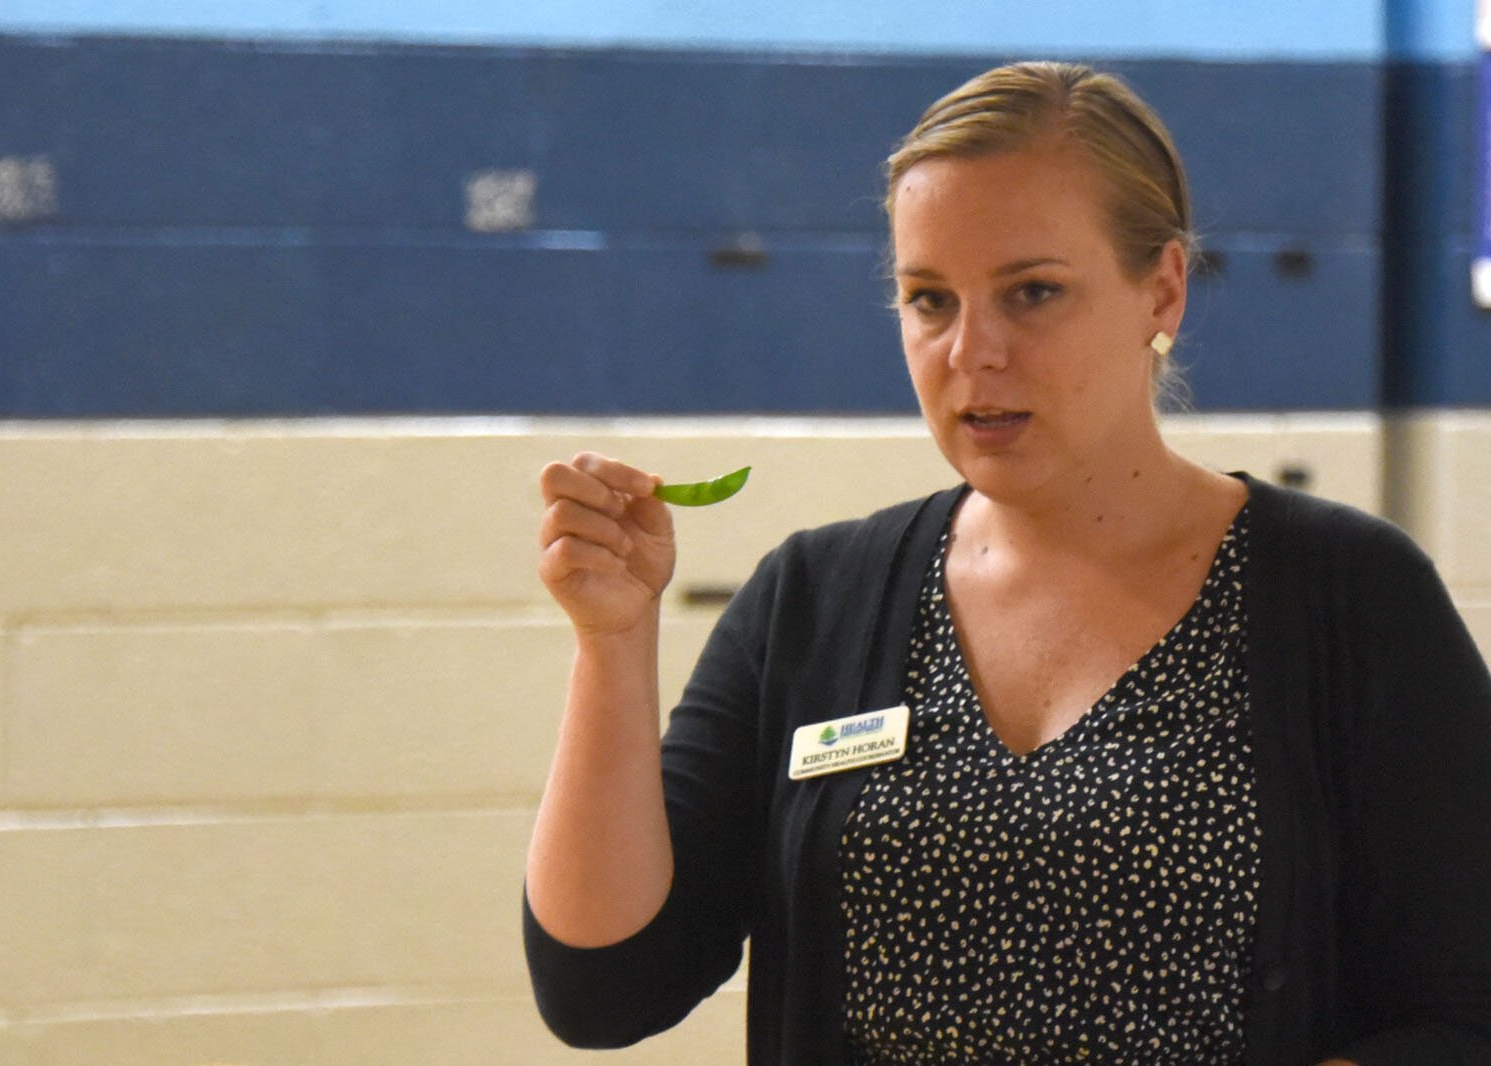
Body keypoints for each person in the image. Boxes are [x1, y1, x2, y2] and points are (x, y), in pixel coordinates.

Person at [522, 60, 1491, 1065]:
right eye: (929, 299)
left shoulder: (1342, 594)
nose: (972, 351)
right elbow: (603, 987)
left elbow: (1465, 1008)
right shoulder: (813, 599)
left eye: (1032, 292)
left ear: (1161, 287)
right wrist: (611, 640)